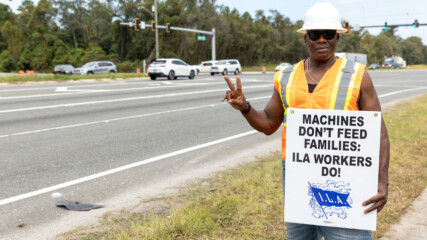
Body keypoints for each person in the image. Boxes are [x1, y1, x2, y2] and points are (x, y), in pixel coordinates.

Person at [221, 2, 390, 240]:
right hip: (298, 174)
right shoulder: (286, 77)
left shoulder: (358, 76)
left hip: (345, 174)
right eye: (315, 34)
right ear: (305, 38)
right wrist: (245, 108)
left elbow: (378, 133)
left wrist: (382, 183)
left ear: (337, 38)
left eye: (328, 34)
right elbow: (269, 123)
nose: (322, 39)